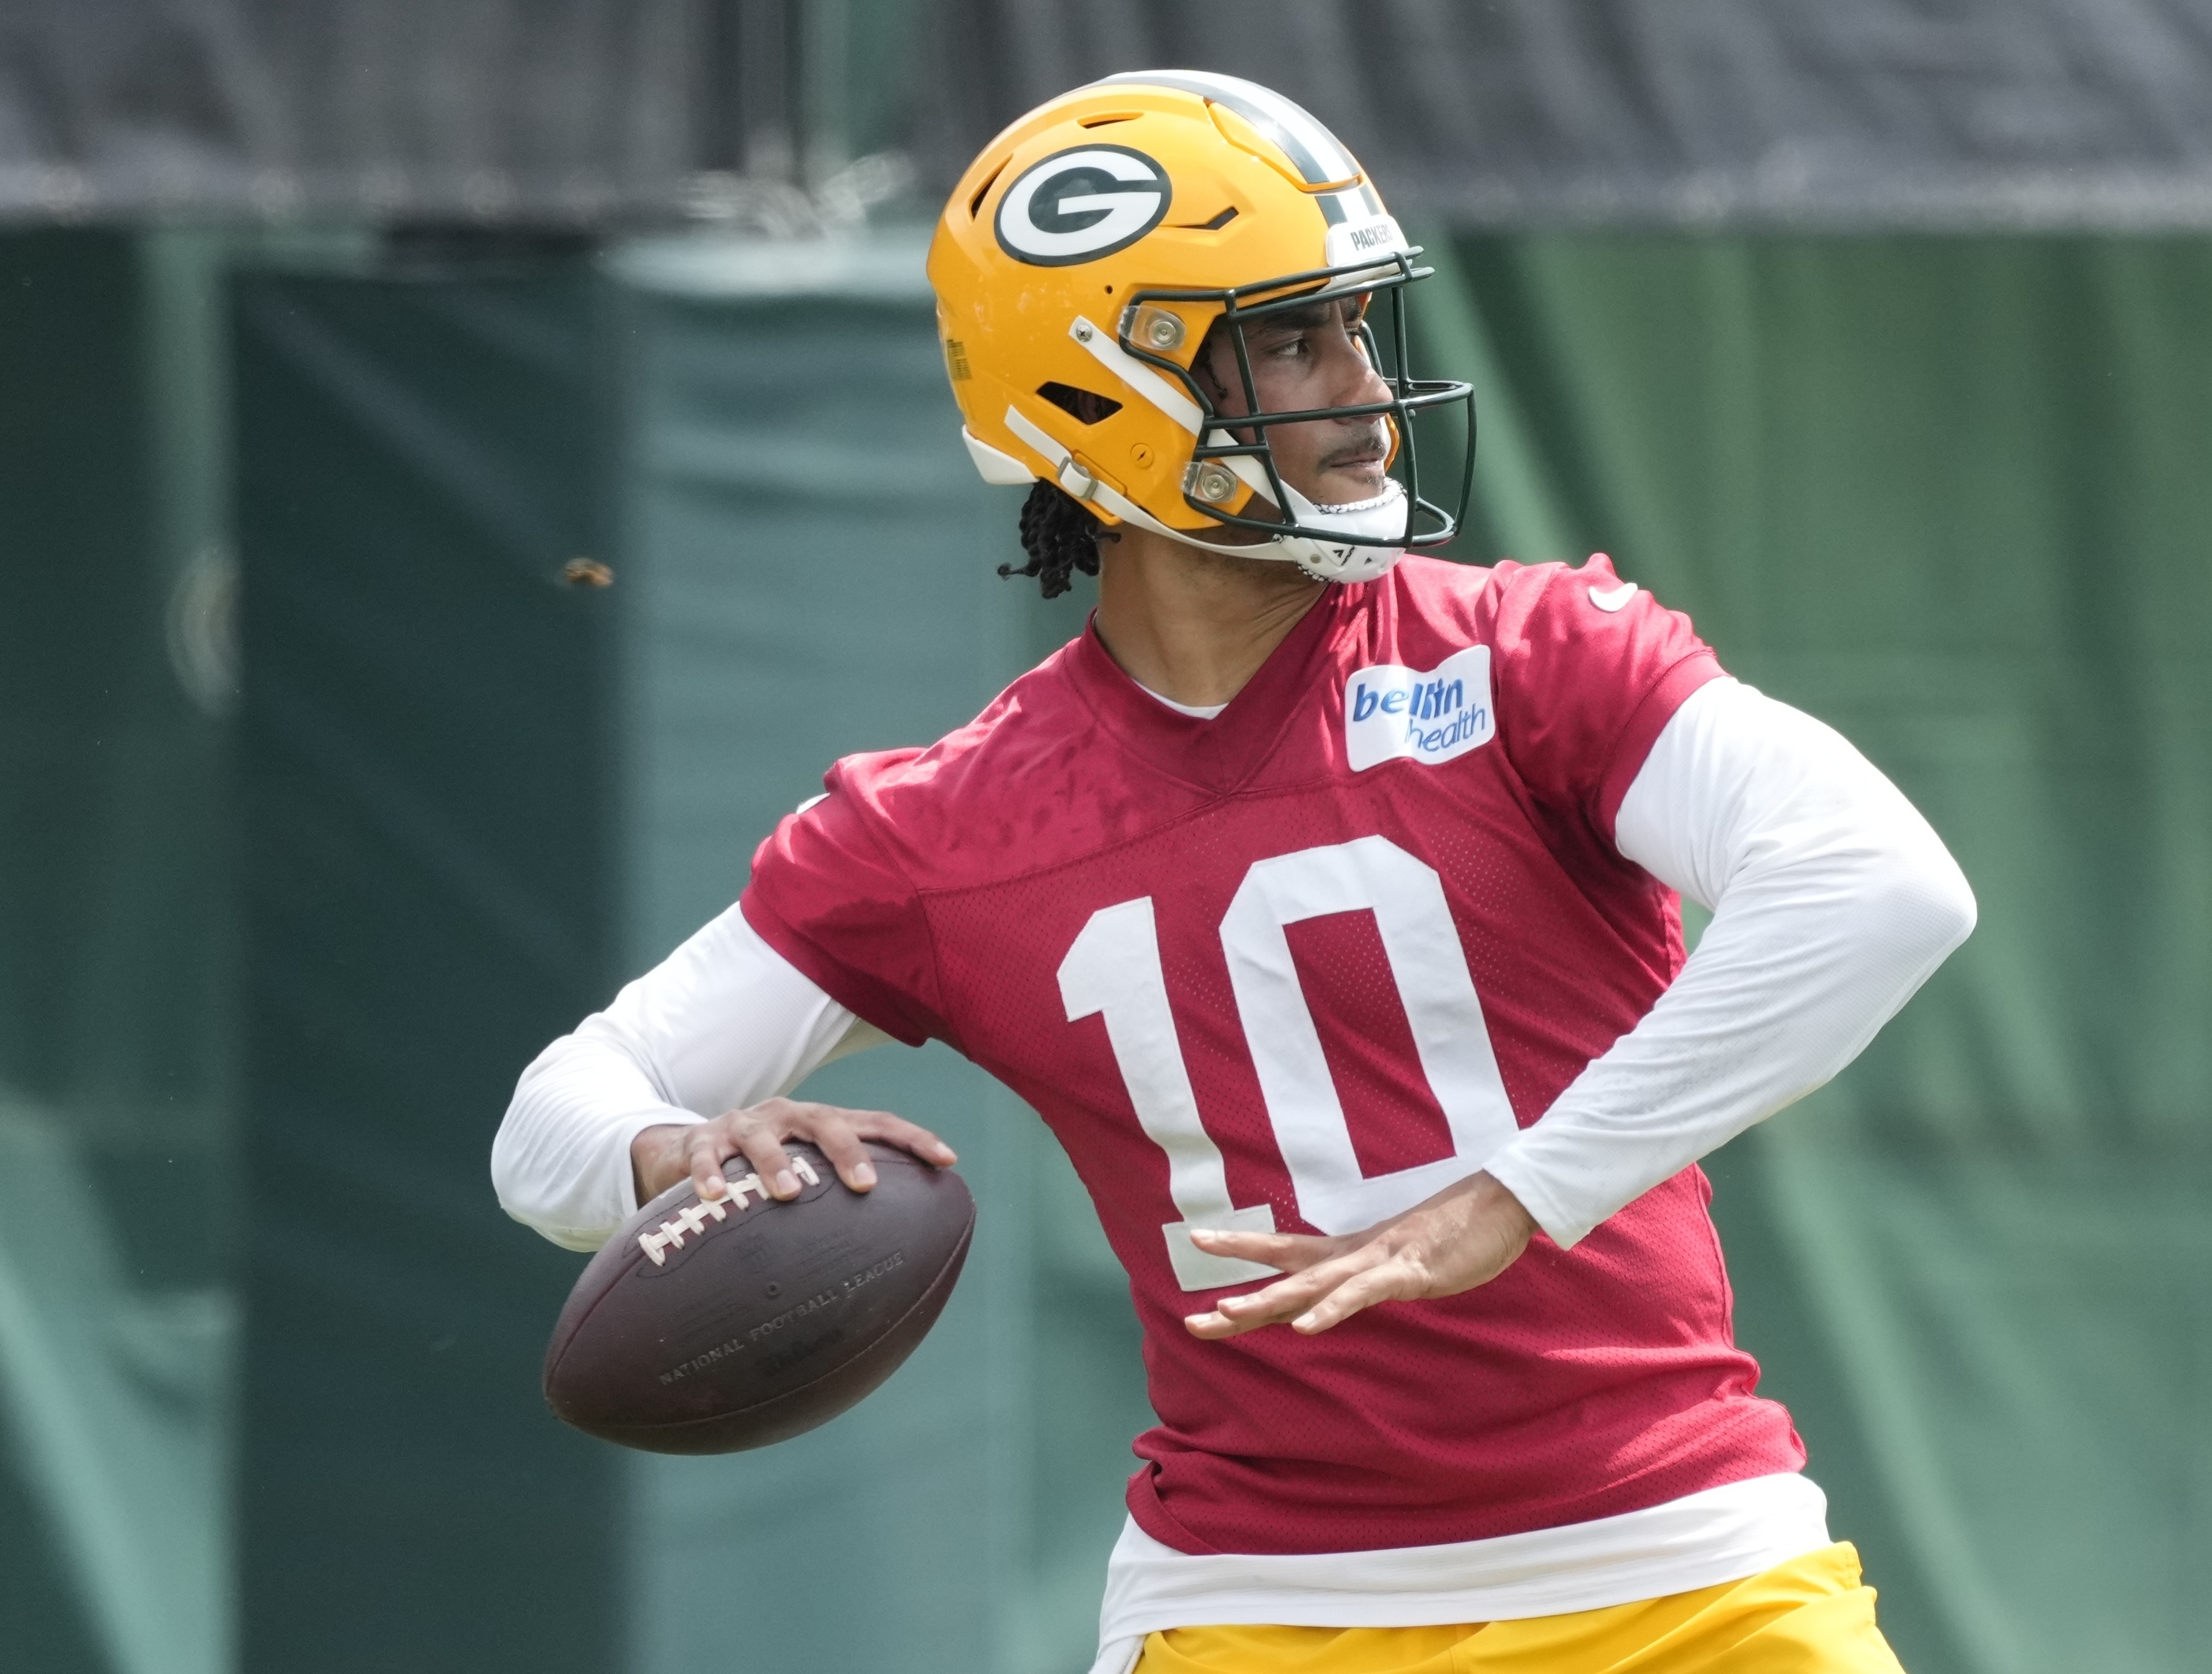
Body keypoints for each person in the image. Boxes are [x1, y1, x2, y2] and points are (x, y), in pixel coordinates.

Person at [493, 69, 1975, 1674]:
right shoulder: (942, 826)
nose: (1362, 385)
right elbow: (548, 1124)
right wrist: (673, 1149)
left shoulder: (1524, 655)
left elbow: (1878, 884)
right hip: (1262, 1609)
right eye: (1291, 338)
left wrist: (1517, 1198)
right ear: (1098, 391)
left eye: (1357, 325)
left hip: (1683, 1567)